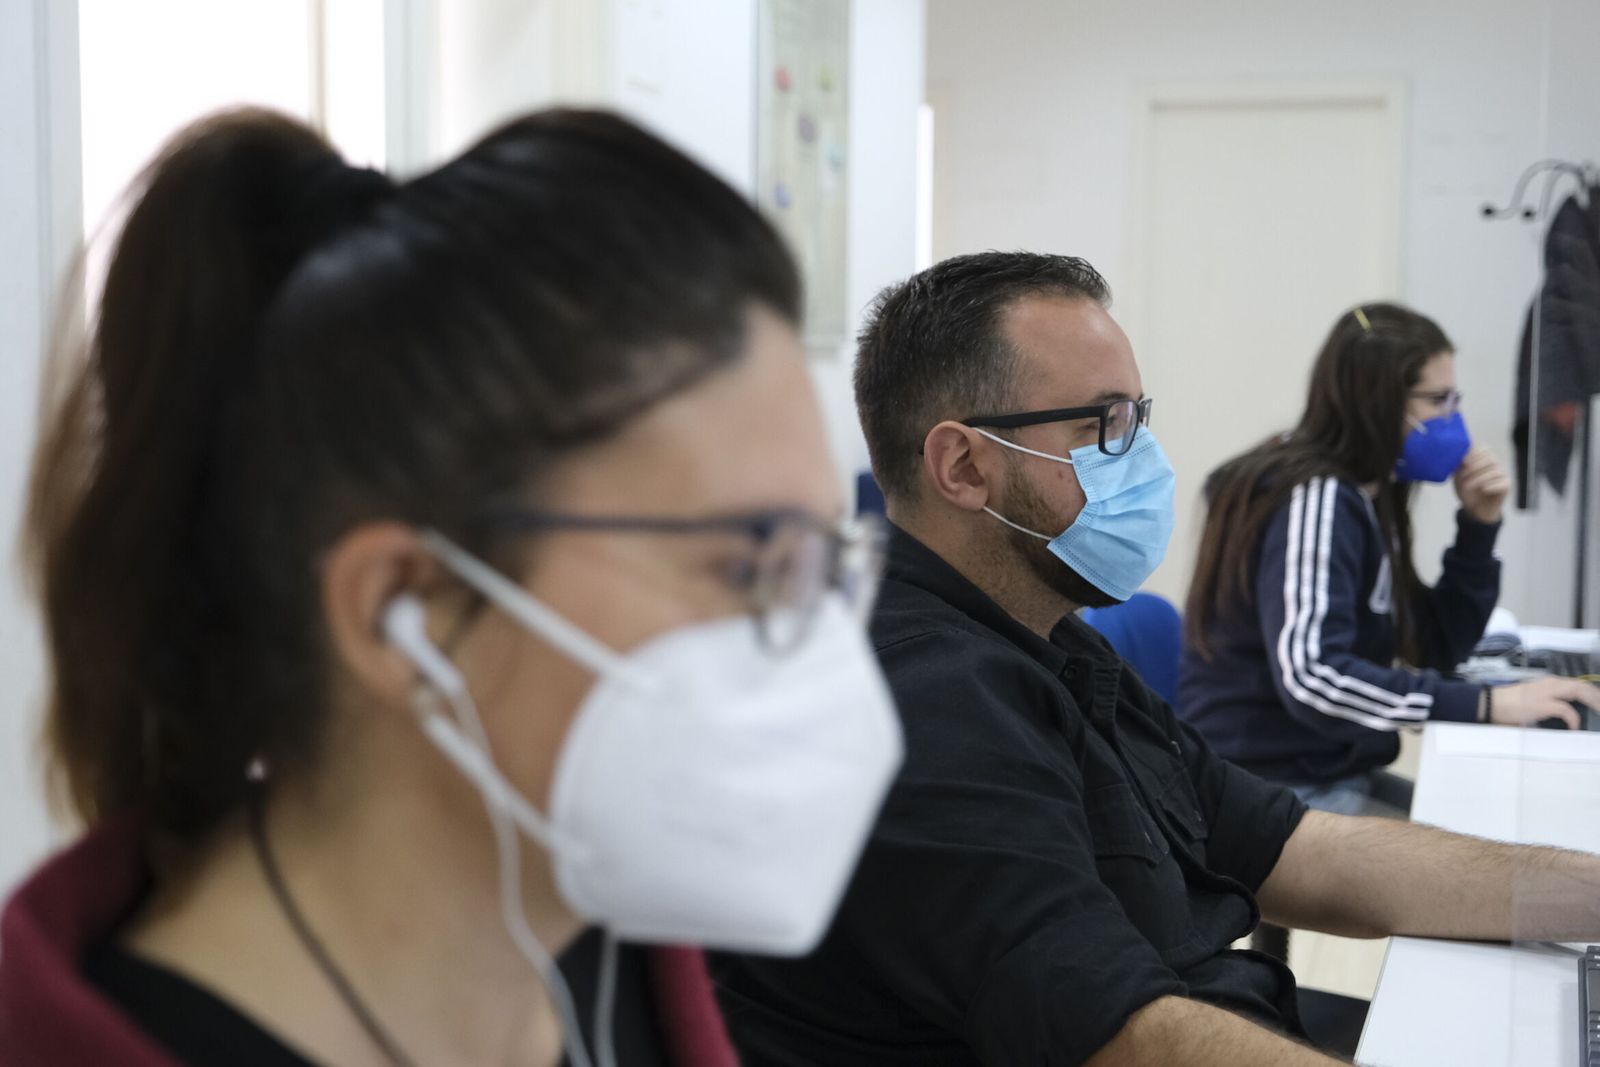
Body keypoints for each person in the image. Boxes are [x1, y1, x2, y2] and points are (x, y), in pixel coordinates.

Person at [0, 107, 903, 1067]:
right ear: (405, 606)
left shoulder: (603, 940)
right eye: (746, 561)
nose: (816, 646)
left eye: (824, 563)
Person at [711, 252, 1600, 1066]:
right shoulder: (923, 702)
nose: (1142, 456)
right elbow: (1122, 1034)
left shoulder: (1049, 630)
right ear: (963, 466)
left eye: (1139, 416)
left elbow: (1298, 849)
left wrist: (1586, 894)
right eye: (1104, 424)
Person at [1177, 303, 1599, 819]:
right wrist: (1489, 705)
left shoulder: (1369, 492)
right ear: (1378, 403)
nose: (1455, 419)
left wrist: (1479, 527)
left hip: (1324, 771)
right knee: (1495, 867)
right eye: (1438, 401)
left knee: (1496, 832)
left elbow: (1433, 646)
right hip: (1266, 794)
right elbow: (1314, 677)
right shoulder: (1316, 498)